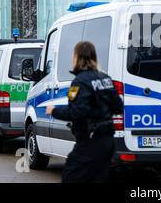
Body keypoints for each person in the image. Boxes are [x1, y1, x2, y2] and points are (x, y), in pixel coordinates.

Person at [45, 41, 123, 183]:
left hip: (90, 142)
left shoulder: (80, 81)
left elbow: (77, 112)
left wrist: (54, 111)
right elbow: (118, 106)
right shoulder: (105, 78)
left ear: (76, 57)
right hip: (107, 141)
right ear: (94, 56)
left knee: (70, 177)